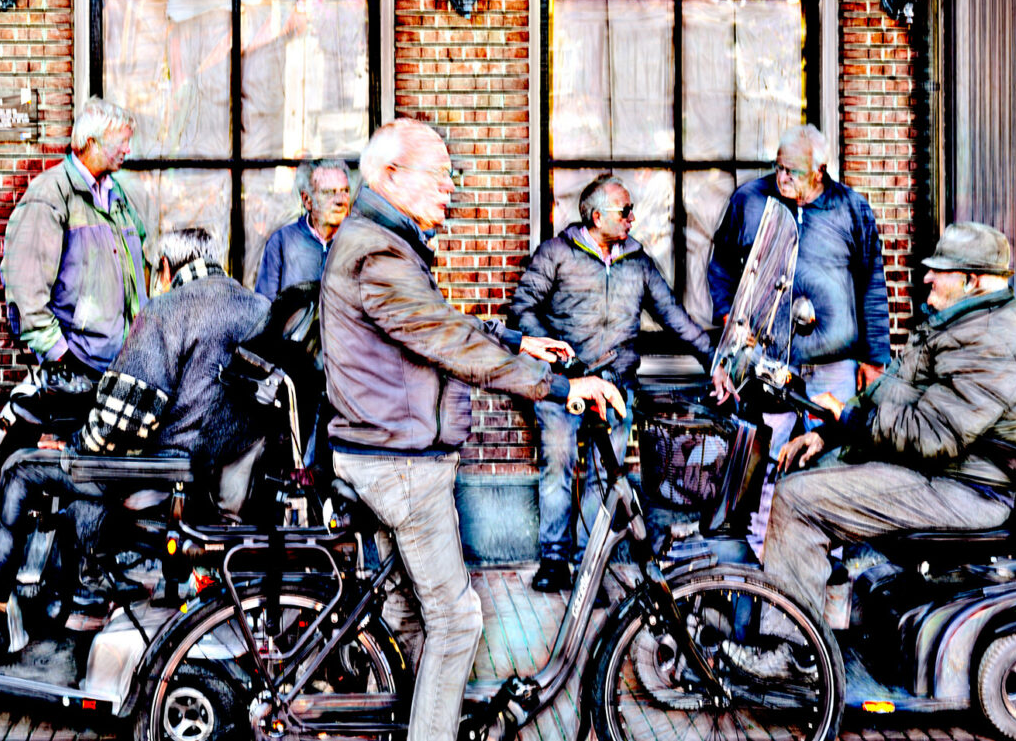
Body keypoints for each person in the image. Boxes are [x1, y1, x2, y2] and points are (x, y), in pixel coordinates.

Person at [321, 117, 624, 741]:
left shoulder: (384, 240)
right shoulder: (378, 252)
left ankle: (426, 718)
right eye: (438, 176)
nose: (450, 188)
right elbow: (446, 339)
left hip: (388, 451)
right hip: (400, 464)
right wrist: (560, 387)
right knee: (457, 621)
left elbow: (435, 321)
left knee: (413, 615)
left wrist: (516, 340)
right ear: (390, 175)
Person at [0, 228, 271, 658]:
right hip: (214, 480)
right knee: (78, 481)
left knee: (21, 469)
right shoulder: (258, 309)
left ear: (165, 269)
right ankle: (72, 594)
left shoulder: (168, 310)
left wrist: (72, 447)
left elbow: (120, 423)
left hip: (166, 475)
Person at [762, 222, 1016, 628]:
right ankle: (827, 622)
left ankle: (787, 649)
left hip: (967, 490)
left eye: (941, 270)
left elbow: (932, 435)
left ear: (973, 280)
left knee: (797, 500)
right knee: (809, 469)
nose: (927, 277)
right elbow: (893, 390)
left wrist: (848, 417)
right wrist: (829, 433)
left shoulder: (993, 342)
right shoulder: (960, 324)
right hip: (944, 473)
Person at [509, 174, 720, 593]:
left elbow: (674, 318)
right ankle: (554, 560)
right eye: (624, 212)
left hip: (615, 386)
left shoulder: (638, 262)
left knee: (604, 479)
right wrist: (558, 355)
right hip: (562, 386)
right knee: (558, 467)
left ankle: (591, 565)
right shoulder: (556, 254)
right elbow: (522, 310)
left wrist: (714, 361)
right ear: (596, 216)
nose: (631, 219)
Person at [707, 124, 891, 552]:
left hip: (834, 364)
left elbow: (871, 284)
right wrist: (732, 326)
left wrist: (874, 360)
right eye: (778, 167)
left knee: (832, 455)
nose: (782, 177)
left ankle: (828, 556)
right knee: (766, 453)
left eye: (793, 171)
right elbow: (721, 267)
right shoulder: (750, 200)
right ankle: (761, 553)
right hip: (770, 361)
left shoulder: (852, 209)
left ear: (820, 171)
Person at [0, 96, 148, 388]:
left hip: (125, 365)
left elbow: (143, 263)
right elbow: (25, 287)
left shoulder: (117, 195)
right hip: (80, 368)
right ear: (92, 143)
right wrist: (61, 357)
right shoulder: (51, 194)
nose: (128, 150)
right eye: (121, 142)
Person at [255, 158, 352, 301]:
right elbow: (265, 305)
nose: (340, 201)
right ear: (307, 200)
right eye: (329, 193)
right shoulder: (282, 242)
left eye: (345, 191)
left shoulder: (360, 243)